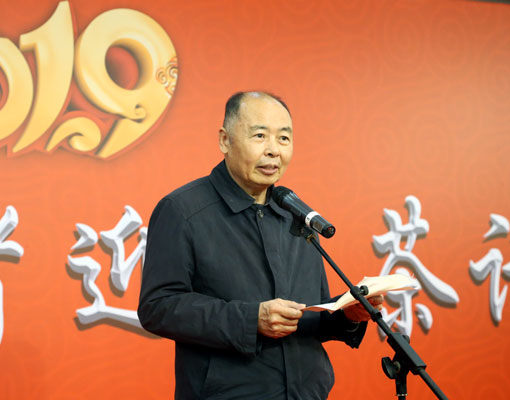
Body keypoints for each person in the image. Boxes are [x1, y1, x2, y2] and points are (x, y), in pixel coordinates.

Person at [138, 91, 383, 400]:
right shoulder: (183, 211)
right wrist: (250, 319)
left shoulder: (297, 216)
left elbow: (311, 318)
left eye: (284, 138)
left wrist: (348, 314)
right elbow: (157, 307)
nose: (273, 150)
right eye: (259, 136)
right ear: (225, 140)